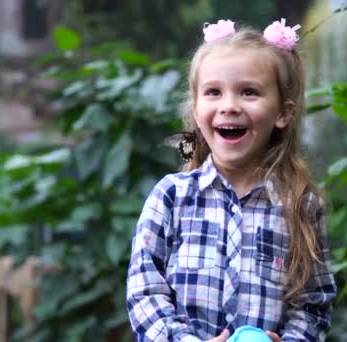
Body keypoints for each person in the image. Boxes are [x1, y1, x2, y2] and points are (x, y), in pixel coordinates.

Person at [126, 18, 336, 342]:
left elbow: (314, 305)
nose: (229, 106)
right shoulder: (170, 197)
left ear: (283, 113)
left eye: (249, 92)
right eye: (213, 92)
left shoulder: (301, 206)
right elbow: (145, 294)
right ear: (196, 110)